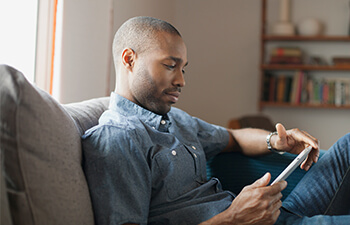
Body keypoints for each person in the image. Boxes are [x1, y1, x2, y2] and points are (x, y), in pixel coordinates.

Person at [82, 16, 350, 225]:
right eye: (169, 65)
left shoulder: (176, 119)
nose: (181, 80)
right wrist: (234, 218)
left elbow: (232, 138)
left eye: (183, 68)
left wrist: (275, 141)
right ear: (129, 59)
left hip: (271, 215)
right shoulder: (116, 138)